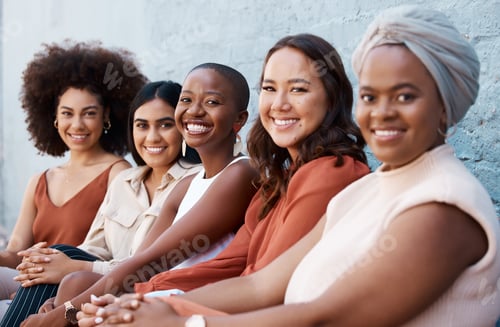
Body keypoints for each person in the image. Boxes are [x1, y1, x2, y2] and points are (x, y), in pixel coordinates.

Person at [79, 6, 500, 327]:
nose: (382, 113)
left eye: (405, 96)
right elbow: (260, 283)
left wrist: (183, 320)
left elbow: (323, 316)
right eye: (371, 97)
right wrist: (151, 304)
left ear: (446, 105)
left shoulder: (443, 205)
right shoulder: (366, 191)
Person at [14, 63, 260, 327]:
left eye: (211, 102)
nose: (195, 110)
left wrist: (61, 314)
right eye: (186, 100)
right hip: (153, 288)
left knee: (71, 295)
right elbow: (137, 260)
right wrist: (63, 307)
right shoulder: (188, 184)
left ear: (239, 120)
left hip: (183, 298)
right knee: (76, 282)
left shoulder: (240, 172)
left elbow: (155, 261)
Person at [0, 81, 202, 325]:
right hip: (92, 283)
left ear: (182, 126)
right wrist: (48, 259)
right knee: (56, 260)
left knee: (69, 272)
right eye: (142, 126)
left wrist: (73, 267)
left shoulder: (194, 182)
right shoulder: (126, 182)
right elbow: (94, 247)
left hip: (136, 288)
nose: (152, 137)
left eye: (165, 125)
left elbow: (150, 265)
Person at [0, 40, 146, 311]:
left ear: (106, 117)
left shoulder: (118, 174)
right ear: (53, 118)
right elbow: (16, 250)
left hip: (75, 288)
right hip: (31, 282)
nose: (77, 125)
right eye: (67, 113)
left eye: (89, 114)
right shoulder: (40, 180)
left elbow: (118, 253)